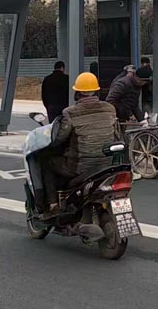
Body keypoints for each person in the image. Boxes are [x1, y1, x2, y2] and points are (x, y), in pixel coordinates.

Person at [41, 72, 120, 216]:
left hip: (80, 167)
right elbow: (116, 134)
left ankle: (53, 205)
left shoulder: (70, 113)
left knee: (47, 163)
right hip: (106, 165)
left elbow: (59, 139)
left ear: (77, 93)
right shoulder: (110, 109)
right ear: (96, 91)